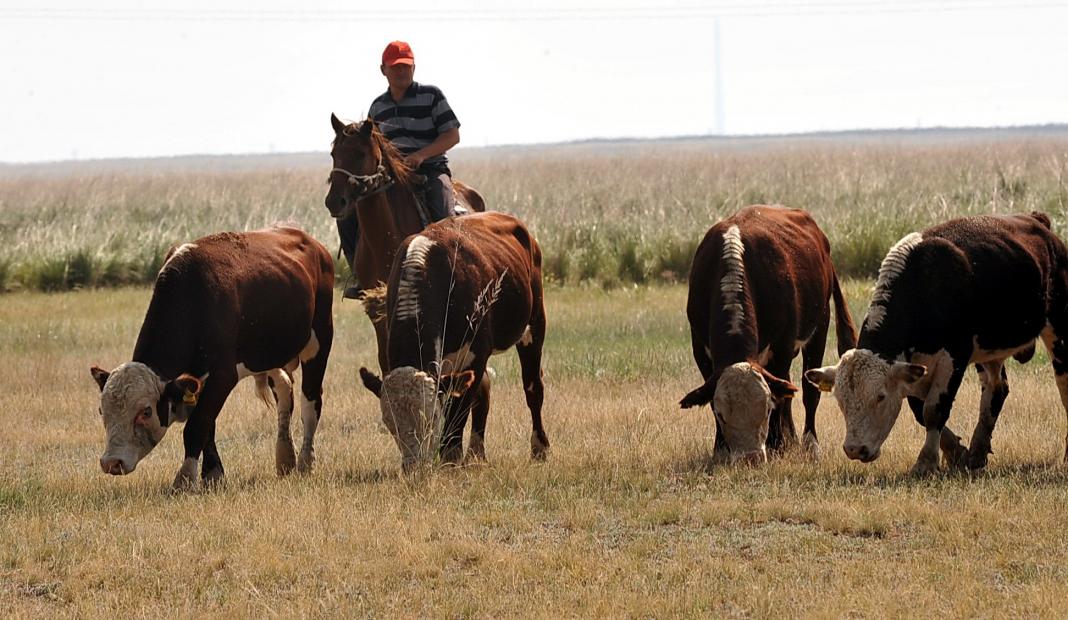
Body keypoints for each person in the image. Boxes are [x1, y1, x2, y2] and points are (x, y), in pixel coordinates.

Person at [339, 40, 461, 299]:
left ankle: (453, 273)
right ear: (383, 70)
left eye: (406, 66)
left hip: (429, 169)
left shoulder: (431, 96)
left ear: (414, 67)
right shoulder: (377, 107)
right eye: (395, 67)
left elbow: (452, 135)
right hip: (390, 178)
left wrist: (421, 155)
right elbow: (372, 147)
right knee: (347, 215)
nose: (401, 71)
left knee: (443, 208)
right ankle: (360, 275)